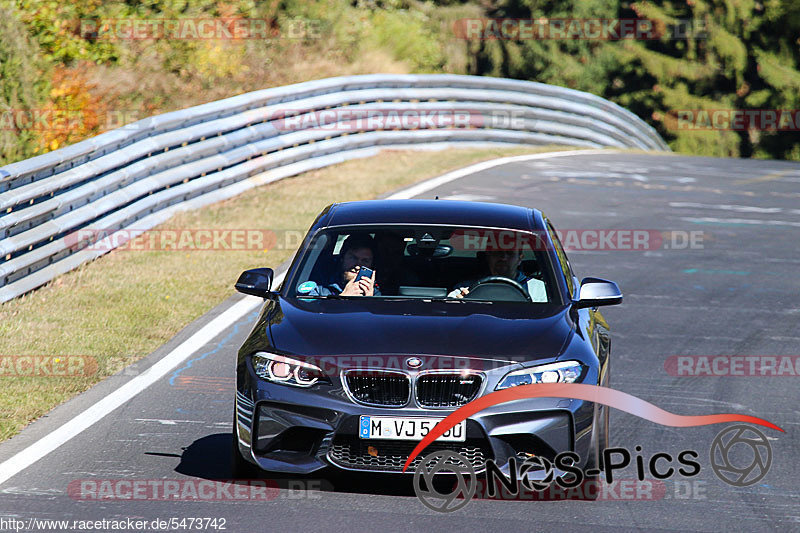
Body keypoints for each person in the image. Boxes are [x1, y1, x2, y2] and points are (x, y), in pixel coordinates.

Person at [447, 249, 547, 302]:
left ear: (520, 258)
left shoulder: (539, 289)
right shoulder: (466, 288)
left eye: (510, 253)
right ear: (488, 256)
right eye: (497, 252)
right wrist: (459, 304)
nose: (503, 258)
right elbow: (449, 306)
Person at [301, 234, 381, 296]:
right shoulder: (321, 288)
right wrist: (343, 297)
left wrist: (370, 301)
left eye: (365, 261)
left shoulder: (377, 295)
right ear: (342, 258)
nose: (357, 266)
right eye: (353, 258)